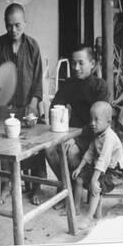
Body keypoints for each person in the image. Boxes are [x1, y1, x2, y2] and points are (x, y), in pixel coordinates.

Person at [0, 3, 47, 205]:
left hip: (28, 104)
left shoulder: (33, 46)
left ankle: (36, 185)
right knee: (1, 144)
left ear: (25, 23)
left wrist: (34, 103)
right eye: (9, 25)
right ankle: (5, 184)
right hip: (5, 106)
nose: (13, 30)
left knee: (36, 143)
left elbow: (37, 80)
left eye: (17, 25)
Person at [44, 45, 109, 210]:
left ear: (92, 63)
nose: (76, 68)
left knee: (71, 152)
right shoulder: (70, 84)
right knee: (49, 149)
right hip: (72, 132)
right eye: (73, 63)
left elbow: (100, 122)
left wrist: (75, 136)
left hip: (94, 136)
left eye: (81, 63)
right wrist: (60, 117)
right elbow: (56, 105)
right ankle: (67, 188)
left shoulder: (100, 86)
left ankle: (72, 192)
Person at [71, 101, 123, 229]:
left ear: (108, 121)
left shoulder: (110, 138)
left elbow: (103, 160)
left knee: (96, 185)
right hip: (101, 168)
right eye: (91, 119)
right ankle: (76, 208)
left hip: (113, 172)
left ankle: (89, 217)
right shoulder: (98, 134)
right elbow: (90, 152)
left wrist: (94, 179)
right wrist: (79, 168)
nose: (92, 123)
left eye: (97, 120)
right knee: (79, 179)